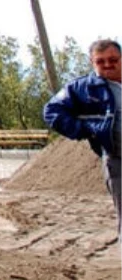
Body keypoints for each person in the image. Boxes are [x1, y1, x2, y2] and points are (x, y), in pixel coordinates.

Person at [43, 38, 122, 240]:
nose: (107, 65)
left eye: (113, 59)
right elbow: (52, 111)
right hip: (116, 159)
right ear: (92, 62)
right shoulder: (83, 88)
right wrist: (86, 129)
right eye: (100, 61)